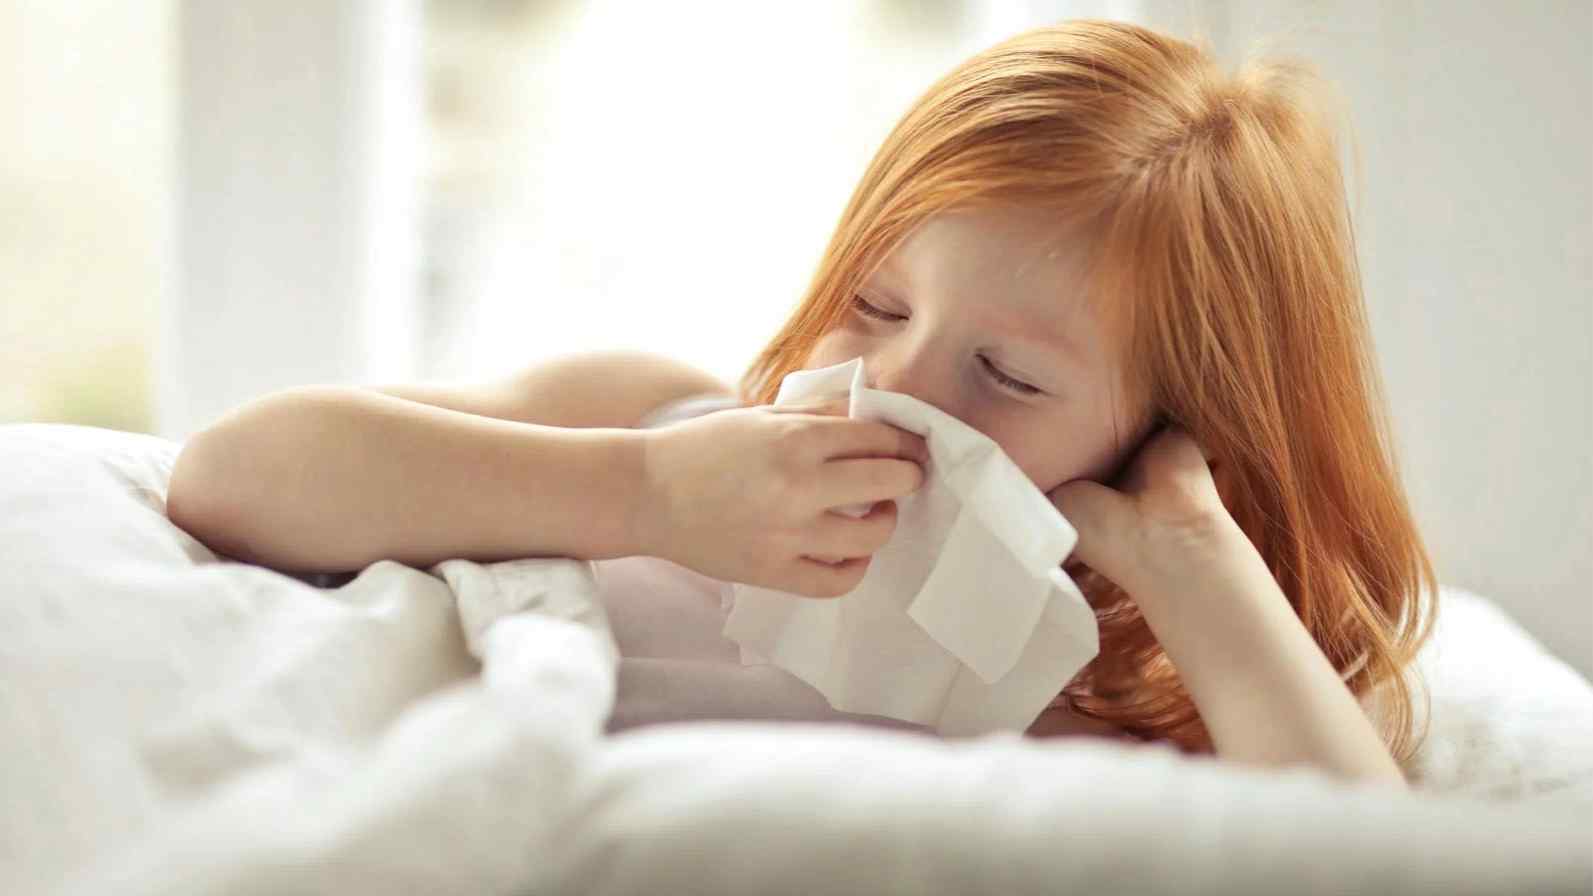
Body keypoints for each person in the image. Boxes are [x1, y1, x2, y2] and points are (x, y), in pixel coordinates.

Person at [168, 19, 1433, 786]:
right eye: (876, 302)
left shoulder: (1100, 696)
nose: (890, 382)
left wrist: (1192, 557)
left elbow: (1371, 862)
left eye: (1009, 377)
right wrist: (642, 494)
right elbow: (230, 474)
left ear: (1167, 432)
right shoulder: (653, 419)